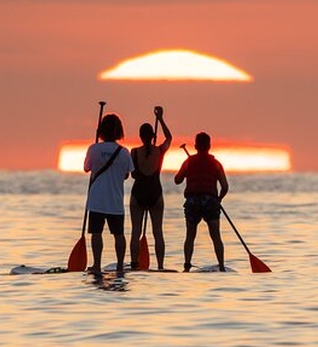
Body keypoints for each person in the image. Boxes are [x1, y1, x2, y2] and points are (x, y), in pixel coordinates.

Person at [83, 113, 134, 277]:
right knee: (119, 234)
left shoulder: (94, 148)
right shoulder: (124, 152)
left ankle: (96, 265)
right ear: (119, 131)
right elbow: (127, 174)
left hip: (97, 200)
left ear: (101, 130)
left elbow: (87, 168)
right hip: (115, 201)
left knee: (96, 233)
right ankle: (120, 266)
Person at [174, 131, 229, 272]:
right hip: (210, 201)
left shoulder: (188, 162)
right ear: (209, 146)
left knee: (190, 236)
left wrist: (187, 171)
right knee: (216, 236)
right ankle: (221, 266)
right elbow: (225, 186)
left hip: (193, 201)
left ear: (195, 146)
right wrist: (218, 200)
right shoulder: (216, 164)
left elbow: (177, 180)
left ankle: (187, 266)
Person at [129, 106, 173, 270]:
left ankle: (134, 264)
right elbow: (169, 137)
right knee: (158, 232)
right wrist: (161, 118)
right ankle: (160, 266)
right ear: (153, 136)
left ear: (140, 137)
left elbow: (133, 175)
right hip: (156, 194)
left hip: (138, 194)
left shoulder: (134, 152)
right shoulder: (160, 150)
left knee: (135, 231)